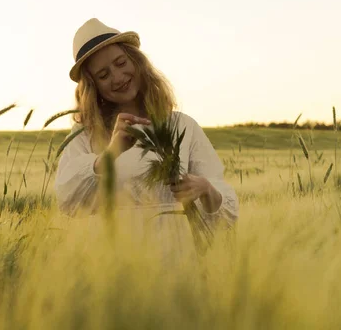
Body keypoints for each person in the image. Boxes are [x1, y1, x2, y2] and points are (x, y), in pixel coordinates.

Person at [53, 18, 239, 231]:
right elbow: (68, 201)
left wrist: (205, 189)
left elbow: (226, 214)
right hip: (114, 259)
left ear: (136, 61)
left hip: (180, 257)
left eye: (121, 63)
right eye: (103, 75)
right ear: (94, 87)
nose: (117, 77)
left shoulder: (181, 125)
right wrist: (111, 153)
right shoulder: (85, 135)